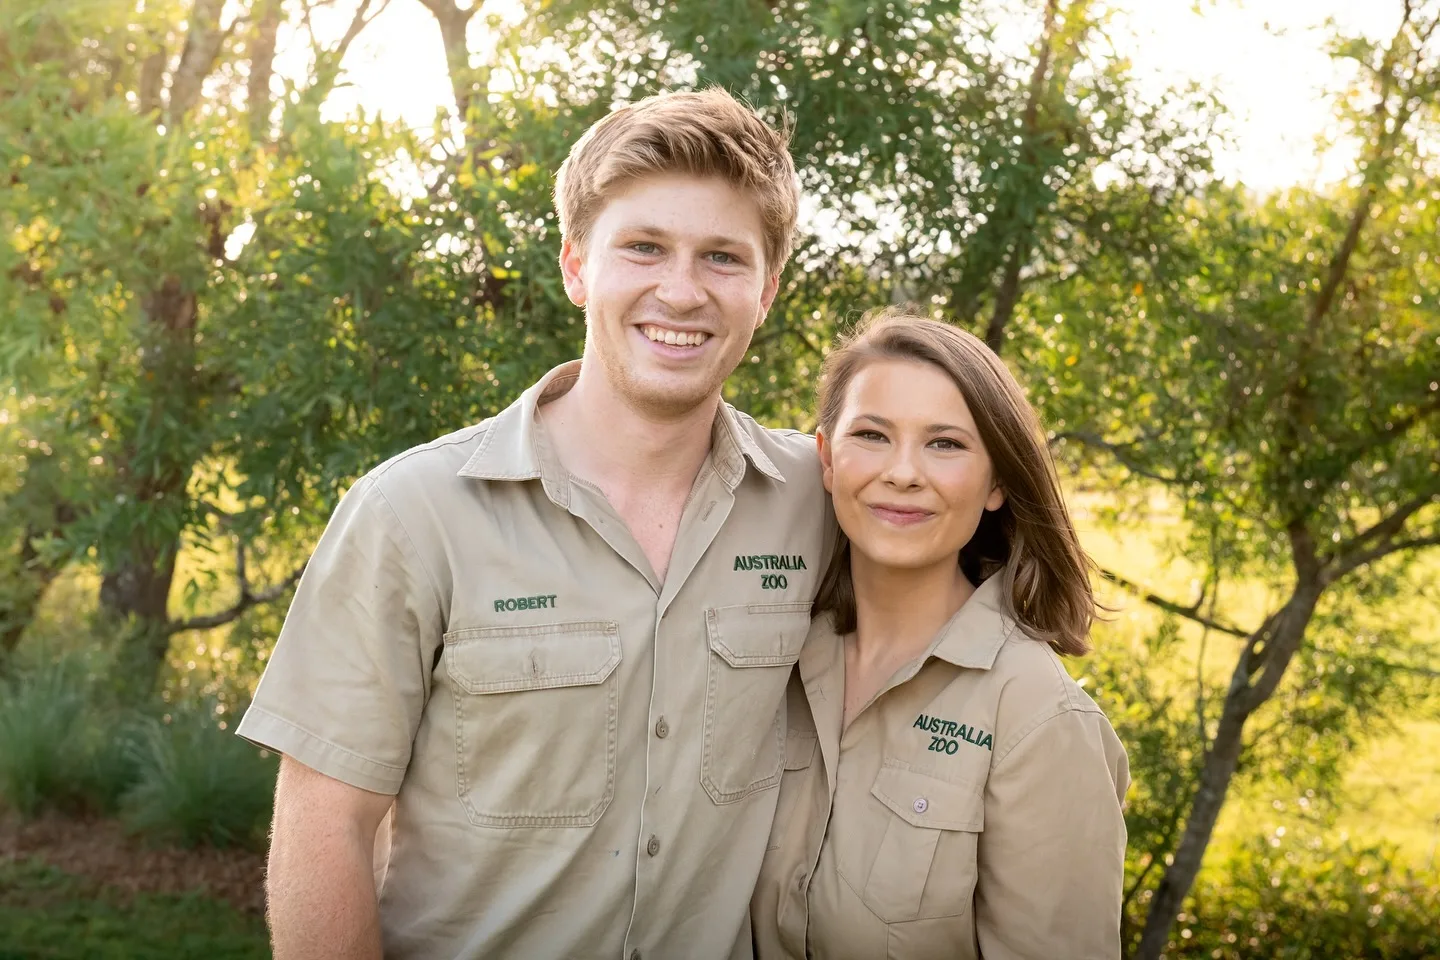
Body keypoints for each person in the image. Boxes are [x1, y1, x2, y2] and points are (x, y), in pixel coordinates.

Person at [238, 88, 834, 960]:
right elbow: (325, 823)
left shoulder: (819, 502)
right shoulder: (413, 514)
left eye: (722, 258)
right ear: (574, 267)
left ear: (767, 290)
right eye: (643, 247)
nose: (681, 290)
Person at [752, 311, 1130, 959]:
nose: (903, 472)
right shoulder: (772, 659)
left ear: (996, 485)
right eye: (871, 435)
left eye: (946, 444)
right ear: (826, 460)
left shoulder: (1037, 717)